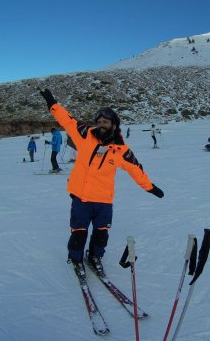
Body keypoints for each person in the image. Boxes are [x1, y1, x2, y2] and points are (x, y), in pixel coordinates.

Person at [39, 88, 164, 271]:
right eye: (99, 122)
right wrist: (52, 104)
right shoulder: (85, 135)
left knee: (101, 234)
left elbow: (136, 169)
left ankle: (95, 257)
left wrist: (150, 187)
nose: (101, 125)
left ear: (114, 124)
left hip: (104, 200)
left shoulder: (121, 150)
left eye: (105, 122)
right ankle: (75, 259)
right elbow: (67, 120)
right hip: (81, 197)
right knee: (78, 234)